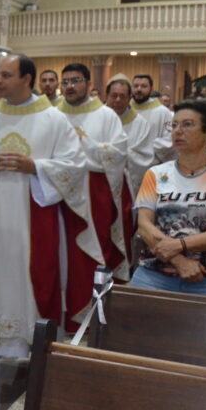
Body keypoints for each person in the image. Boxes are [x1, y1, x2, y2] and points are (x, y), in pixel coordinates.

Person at [0, 53, 101, 356]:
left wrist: (36, 167)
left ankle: (30, 341)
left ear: (26, 79)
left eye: (6, 76)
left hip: (35, 214)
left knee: (33, 271)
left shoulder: (53, 119)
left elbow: (76, 166)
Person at [133, 100, 206, 299]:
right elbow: (144, 225)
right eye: (174, 125)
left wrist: (180, 244)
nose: (177, 131)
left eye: (187, 124)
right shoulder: (156, 173)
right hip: (154, 276)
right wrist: (179, 260)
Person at [57, 63, 129, 279]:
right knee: (62, 244)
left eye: (76, 81)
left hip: (94, 191)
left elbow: (118, 153)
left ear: (89, 84)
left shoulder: (106, 115)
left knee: (94, 245)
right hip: (58, 189)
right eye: (66, 81)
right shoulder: (52, 114)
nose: (70, 86)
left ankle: (96, 296)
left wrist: (85, 141)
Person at [105, 74, 155, 262]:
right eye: (114, 95)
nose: (118, 100)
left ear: (129, 98)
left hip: (125, 190)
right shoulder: (98, 119)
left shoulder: (140, 123)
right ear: (106, 96)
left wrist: (113, 156)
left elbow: (144, 158)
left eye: (123, 96)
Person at [132, 74, 175, 163]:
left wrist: (141, 148)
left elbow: (168, 140)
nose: (139, 89)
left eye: (143, 86)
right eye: (135, 86)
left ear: (151, 89)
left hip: (152, 165)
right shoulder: (125, 109)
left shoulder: (163, 112)